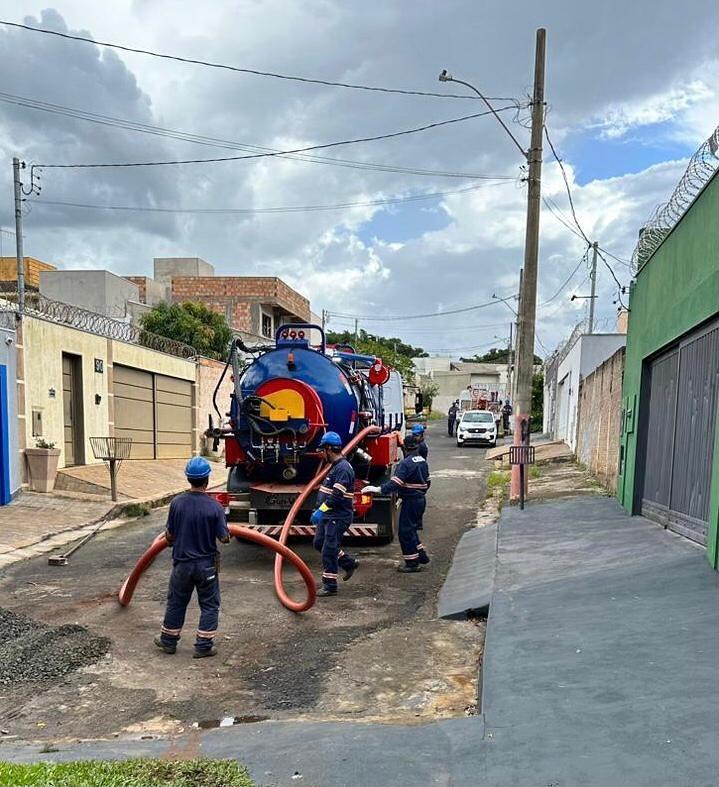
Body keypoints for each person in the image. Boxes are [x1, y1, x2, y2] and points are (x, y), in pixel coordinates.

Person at [155, 456, 230, 659]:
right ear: (207, 479)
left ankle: (168, 642)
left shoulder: (177, 503)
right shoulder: (215, 507)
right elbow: (224, 538)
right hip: (206, 567)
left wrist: (171, 541)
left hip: (182, 565)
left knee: (176, 602)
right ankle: (203, 646)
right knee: (209, 605)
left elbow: (170, 534)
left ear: (188, 478)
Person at [363, 434, 430, 572]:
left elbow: (395, 483)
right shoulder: (422, 461)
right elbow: (428, 482)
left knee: (405, 531)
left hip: (411, 501)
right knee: (411, 529)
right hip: (420, 500)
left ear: (405, 448)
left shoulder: (405, 464)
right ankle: (421, 556)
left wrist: (378, 489)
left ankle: (412, 563)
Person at [311, 431, 359, 597]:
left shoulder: (343, 469)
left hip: (338, 516)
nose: (321, 453)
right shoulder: (335, 467)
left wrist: (320, 510)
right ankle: (348, 563)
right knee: (319, 543)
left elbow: (336, 496)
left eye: (323, 449)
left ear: (329, 449)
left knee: (328, 549)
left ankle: (330, 585)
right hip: (328, 515)